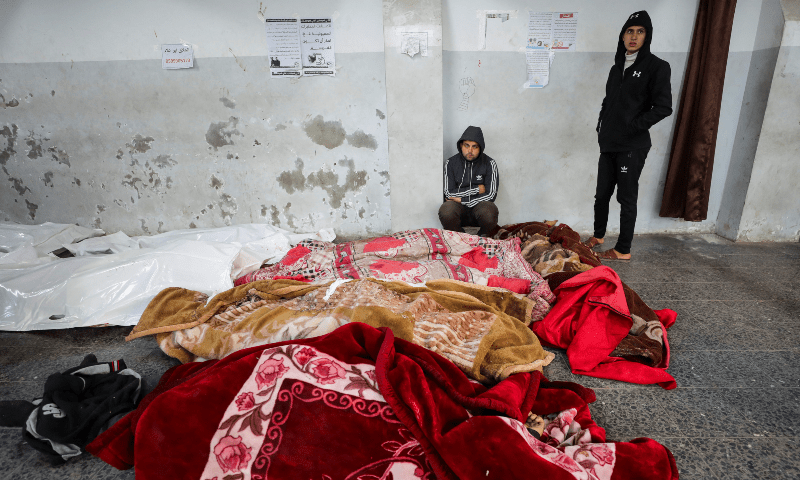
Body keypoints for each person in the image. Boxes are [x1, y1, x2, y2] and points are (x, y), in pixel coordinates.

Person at [586, 10, 673, 260]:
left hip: (632, 145)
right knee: (602, 194)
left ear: (647, 36)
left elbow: (664, 107)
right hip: (609, 143)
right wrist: (602, 125)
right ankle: (598, 235)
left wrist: (633, 126)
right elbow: (609, 101)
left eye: (640, 31)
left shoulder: (657, 67)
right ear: (623, 36)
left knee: (626, 198)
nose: (634, 36)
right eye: (629, 31)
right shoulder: (617, 67)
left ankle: (623, 249)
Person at [439, 126, 499, 236]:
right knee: (446, 210)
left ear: (480, 148)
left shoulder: (490, 163)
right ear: (461, 145)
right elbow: (449, 193)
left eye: (474, 147)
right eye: (467, 145)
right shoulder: (451, 163)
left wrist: (462, 199)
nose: (470, 150)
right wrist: (476, 189)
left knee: (490, 210)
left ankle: (482, 238)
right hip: (458, 210)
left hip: (480, 208)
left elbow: (490, 195)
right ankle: (460, 238)